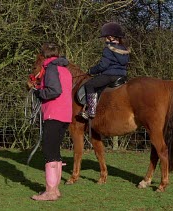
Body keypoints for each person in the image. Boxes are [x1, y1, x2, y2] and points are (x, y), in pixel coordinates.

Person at [31, 42, 72, 201]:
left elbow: (54, 90)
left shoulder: (50, 69)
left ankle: (50, 192)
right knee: (55, 151)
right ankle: (55, 190)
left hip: (53, 114)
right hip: (65, 114)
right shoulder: (65, 70)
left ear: (43, 55)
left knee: (48, 151)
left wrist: (39, 92)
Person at [80, 22, 130, 119]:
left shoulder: (108, 49)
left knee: (89, 85)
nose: (105, 39)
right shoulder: (124, 49)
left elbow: (103, 66)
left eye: (106, 37)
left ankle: (91, 110)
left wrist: (91, 70)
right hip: (122, 75)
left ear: (111, 37)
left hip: (109, 75)